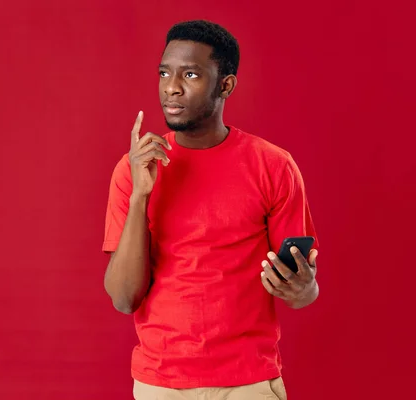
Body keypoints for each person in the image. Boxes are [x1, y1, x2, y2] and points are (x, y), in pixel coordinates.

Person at [102, 19, 320, 400]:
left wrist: (305, 288)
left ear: (226, 84)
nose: (171, 87)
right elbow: (123, 298)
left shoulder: (273, 166)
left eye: (190, 74)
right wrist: (140, 196)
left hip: (249, 383)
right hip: (160, 384)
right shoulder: (133, 169)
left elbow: (300, 291)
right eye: (164, 73)